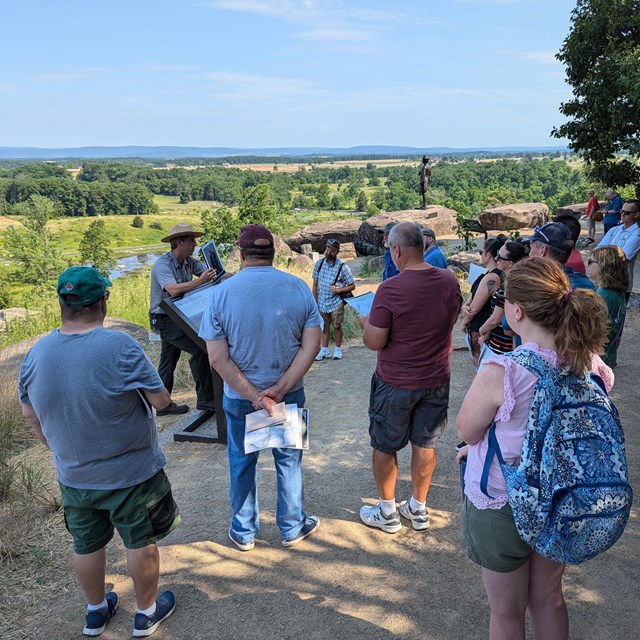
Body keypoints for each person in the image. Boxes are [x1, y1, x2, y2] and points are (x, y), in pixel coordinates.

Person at [18, 267, 180, 637]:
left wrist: (58, 450)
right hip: (132, 474)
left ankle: (95, 612)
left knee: (86, 543)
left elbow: (30, 412)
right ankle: (146, 613)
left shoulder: (36, 353)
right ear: (103, 301)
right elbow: (162, 400)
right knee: (139, 540)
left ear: (62, 303)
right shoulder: (120, 345)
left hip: (74, 476)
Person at [456, 257, 609, 640]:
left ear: (517, 311)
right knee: (549, 599)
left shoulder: (502, 370)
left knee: (506, 614)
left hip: (504, 500)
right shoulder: (590, 363)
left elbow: (468, 431)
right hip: (561, 498)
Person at [199, 224, 322, 550]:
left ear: (241, 254)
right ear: (274, 252)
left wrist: (255, 396)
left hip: (240, 399)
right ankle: (292, 526)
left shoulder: (221, 294)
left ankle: (243, 532)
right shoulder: (297, 288)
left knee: (241, 463)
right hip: (289, 393)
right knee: (288, 461)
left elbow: (217, 357)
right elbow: (312, 346)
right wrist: (279, 390)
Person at [358, 222, 462, 534]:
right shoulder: (448, 280)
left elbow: (374, 341)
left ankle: (387, 512)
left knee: (385, 444)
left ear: (397, 250)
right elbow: (451, 318)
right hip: (436, 379)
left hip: (395, 382)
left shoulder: (391, 289)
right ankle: (418, 508)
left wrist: (366, 322)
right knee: (425, 443)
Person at [149, 223, 218, 415]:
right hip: (164, 318)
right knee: (200, 349)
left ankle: (162, 405)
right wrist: (200, 281)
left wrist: (228, 275)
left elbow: (211, 274)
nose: (195, 244)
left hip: (177, 315)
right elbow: (172, 289)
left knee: (168, 360)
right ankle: (206, 400)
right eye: (191, 241)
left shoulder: (189, 261)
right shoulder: (162, 265)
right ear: (179, 242)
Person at [477, 241, 527, 355]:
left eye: (500, 257)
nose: (496, 258)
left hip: (501, 347)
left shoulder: (508, 290)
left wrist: (481, 330)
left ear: (510, 263)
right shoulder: (515, 283)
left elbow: (495, 319)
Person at [462, 237, 505, 365]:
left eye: (482, 252)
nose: (480, 255)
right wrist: (465, 306)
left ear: (488, 255)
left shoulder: (492, 277)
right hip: (478, 324)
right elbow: (470, 299)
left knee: (478, 360)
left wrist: (465, 321)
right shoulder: (486, 275)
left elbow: (474, 308)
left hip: (480, 325)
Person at [312, 238, 356, 360]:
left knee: (337, 325)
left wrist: (338, 290)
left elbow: (352, 286)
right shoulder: (319, 264)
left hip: (336, 302)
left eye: (331, 250)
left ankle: (337, 349)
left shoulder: (343, 267)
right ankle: (324, 350)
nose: (328, 252)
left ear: (337, 252)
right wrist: (314, 301)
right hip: (322, 301)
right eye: (327, 249)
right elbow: (315, 284)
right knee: (324, 326)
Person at [587, 245, 629, 367]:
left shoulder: (604, 296)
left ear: (604, 266)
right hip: (607, 356)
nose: (587, 264)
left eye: (591, 261)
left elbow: (590, 333)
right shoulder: (615, 292)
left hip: (597, 361)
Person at [527, 222, 595, 290]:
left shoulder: (532, 288)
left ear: (542, 250)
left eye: (531, 248)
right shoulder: (587, 285)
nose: (529, 254)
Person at [598, 199, 640, 302]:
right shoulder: (614, 230)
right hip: (604, 278)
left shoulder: (637, 235)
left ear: (637, 215)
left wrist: (604, 253)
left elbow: (621, 258)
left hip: (621, 282)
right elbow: (597, 251)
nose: (622, 214)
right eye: (621, 211)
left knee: (617, 316)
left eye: (627, 212)